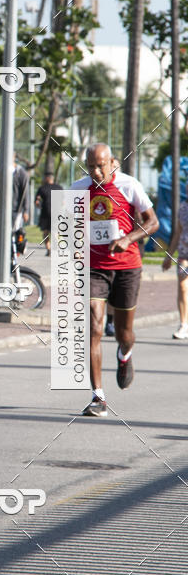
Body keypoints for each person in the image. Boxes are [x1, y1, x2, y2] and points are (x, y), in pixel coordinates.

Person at [72, 143, 158, 417]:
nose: (96, 172)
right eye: (91, 166)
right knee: (94, 328)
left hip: (127, 267)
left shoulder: (129, 185)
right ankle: (98, 396)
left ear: (112, 163)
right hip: (94, 268)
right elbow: (65, 224)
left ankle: (124, 355)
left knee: (124, 333)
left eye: (100, 165)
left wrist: (128, 238)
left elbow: (152, 221)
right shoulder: (78, 189)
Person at [162, 183, 188, 339]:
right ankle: (183, 324)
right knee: (183, 285)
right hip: (184, 255)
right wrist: (168, 256)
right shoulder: (183, 208)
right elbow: (178, 233)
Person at [104, 157, 121, 336]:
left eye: (116, 168)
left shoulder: (126, 187)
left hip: (121, 250)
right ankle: (106, 322)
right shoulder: (93, 189)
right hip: (100, 251)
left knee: (116, 290)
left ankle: (113, 321)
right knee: (103, 289)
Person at [35, 172, 63, 256]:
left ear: (47, 178)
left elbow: (37, 201)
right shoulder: (59, 188)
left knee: (45, 232)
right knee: (55, 232)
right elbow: (63, 201)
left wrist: (39, 206)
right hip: (56, 213)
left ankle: (49, 249)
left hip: (45, 213)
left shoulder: (42, 188)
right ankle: (55, 249)